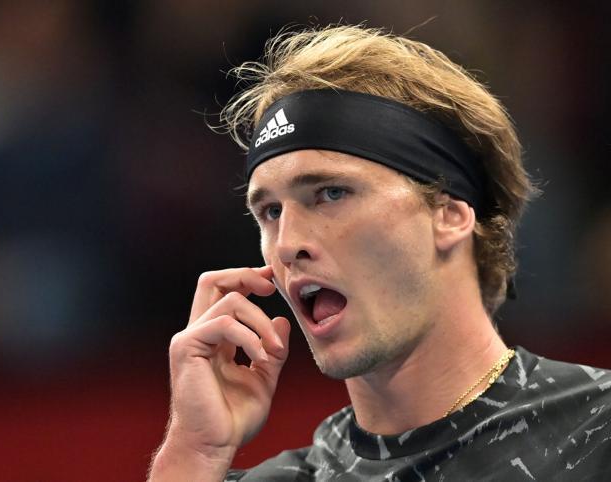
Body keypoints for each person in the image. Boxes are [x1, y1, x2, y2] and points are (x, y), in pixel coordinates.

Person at [147, 25, 611, 481]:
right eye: (270, 211)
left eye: (331, 193)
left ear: (449, 216)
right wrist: (194, 452)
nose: (286, 245)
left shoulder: (599, 431)